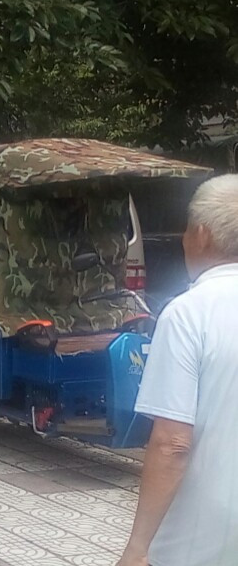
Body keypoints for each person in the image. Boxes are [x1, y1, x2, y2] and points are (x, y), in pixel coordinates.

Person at [117, 175, 238, 566]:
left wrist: (137, 548)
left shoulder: (189, 314)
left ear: (201, 235)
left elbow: (172, 443)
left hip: (206, 537)